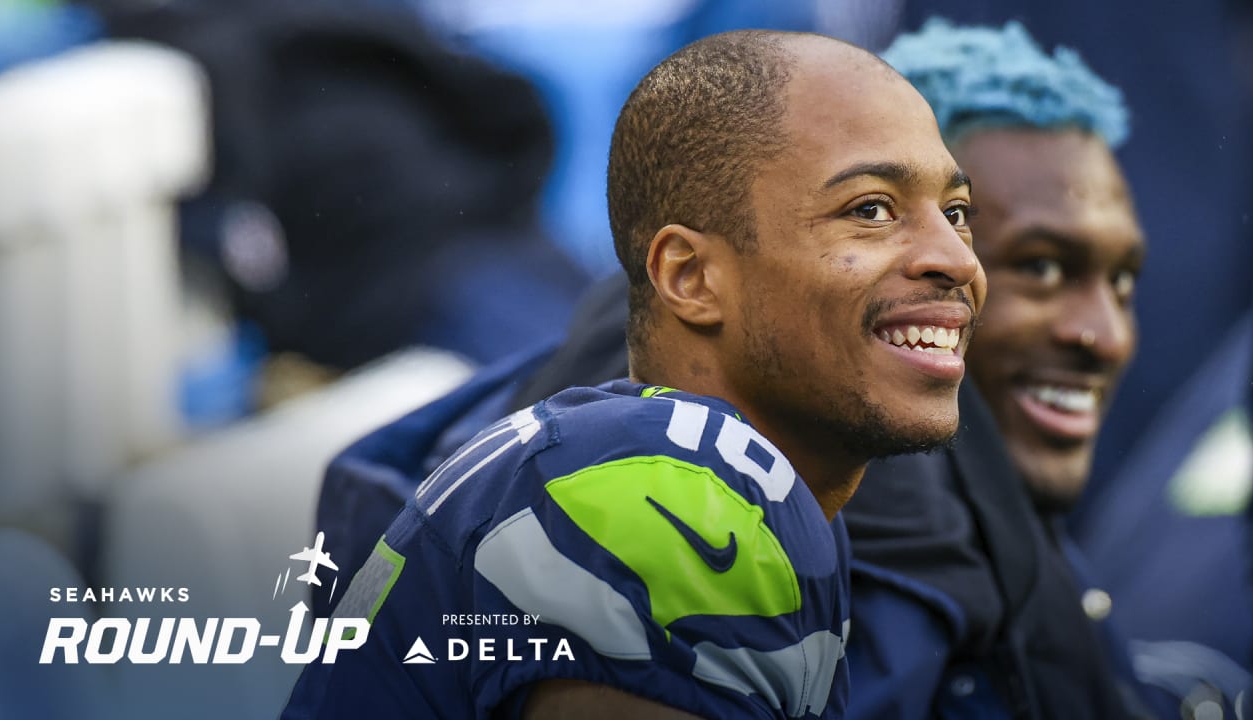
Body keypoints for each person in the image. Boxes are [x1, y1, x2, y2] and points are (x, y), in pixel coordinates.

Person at [284, 29, 986, 718]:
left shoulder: (744, 487)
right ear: (690, 277)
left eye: (956, 213)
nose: (956, 259)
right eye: (869, 210)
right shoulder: (669, 491)